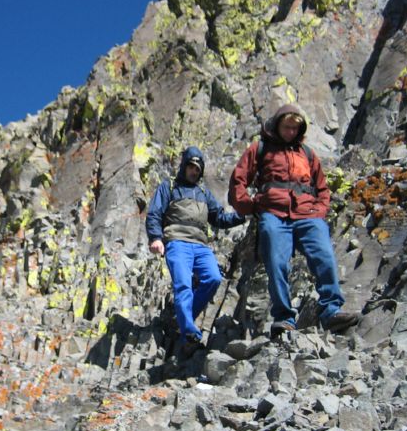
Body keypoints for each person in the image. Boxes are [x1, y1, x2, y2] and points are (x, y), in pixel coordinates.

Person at [228, 104, 359, 337]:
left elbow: (323, 189)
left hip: (308, 215)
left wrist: (319, 211)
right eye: (286, 127)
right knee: (276, 263)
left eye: (294, 128)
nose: (290, 132)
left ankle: (331, 310)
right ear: (277, 124)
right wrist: (252, 206)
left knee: (324, 256)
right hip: (274, 215)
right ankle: (284, 317)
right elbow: (238, 181)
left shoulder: (307, 154)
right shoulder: (260, 149)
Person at [146, 146, 246, 348]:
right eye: (191, 166)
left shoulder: (203, 193)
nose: (194, 171)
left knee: (214, 278)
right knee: (183, 284)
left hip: (200, 246)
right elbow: (154, 214)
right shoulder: (169, 187)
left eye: (197, 169)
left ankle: (184, 318)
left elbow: (219, 218)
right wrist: (156, 238)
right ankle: (188, 330)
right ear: (184, 166)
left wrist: (243, 215)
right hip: (176, 243)